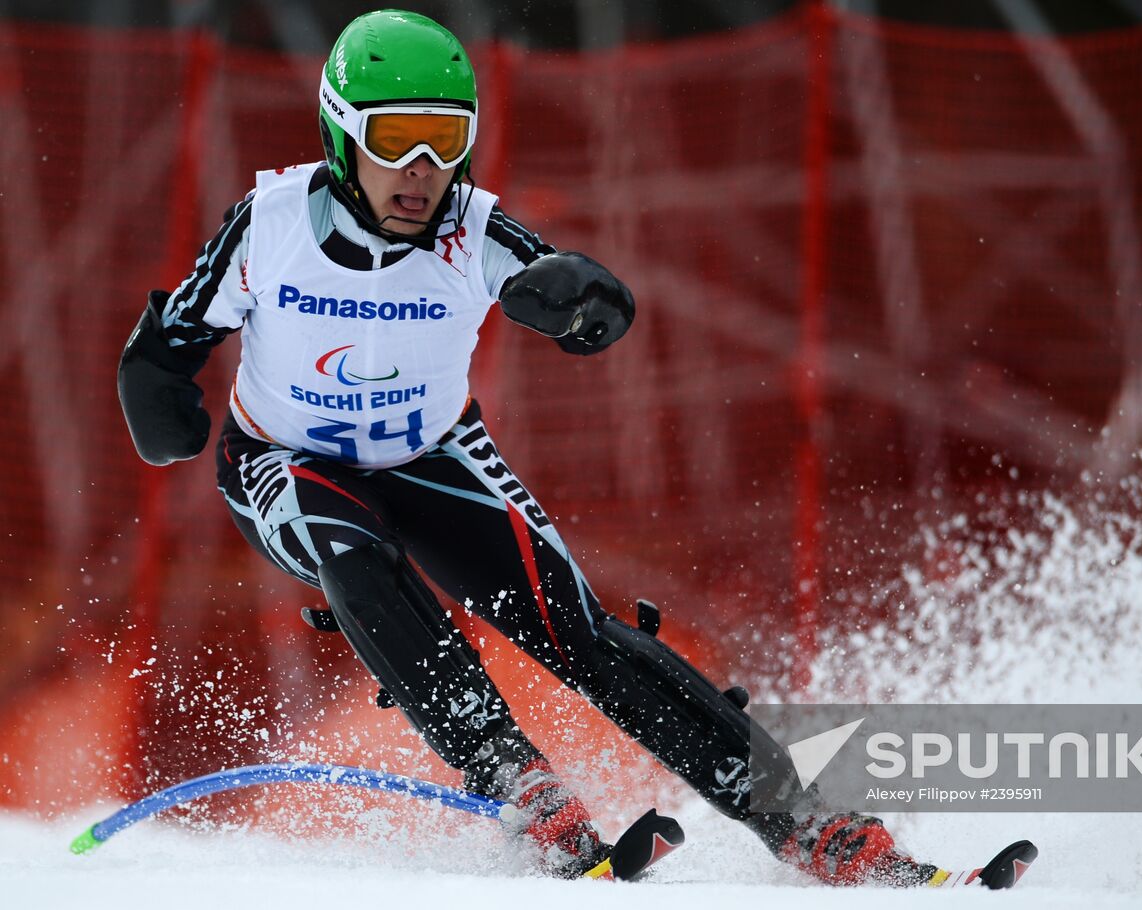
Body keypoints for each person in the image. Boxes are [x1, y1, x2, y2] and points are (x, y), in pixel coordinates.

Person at [117, 8, 940, 886]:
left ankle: (806, 820)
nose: (422, 170)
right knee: (353, 553)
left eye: (446, 141)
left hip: (434, 457)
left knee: (576, 629)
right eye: (397, 140)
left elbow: (570, 287)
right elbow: (171, 335)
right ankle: (519, 782)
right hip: (283, 462)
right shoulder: (270, 222)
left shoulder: (473, 228)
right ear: (340, 134)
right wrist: (157, 387)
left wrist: (583, 303)